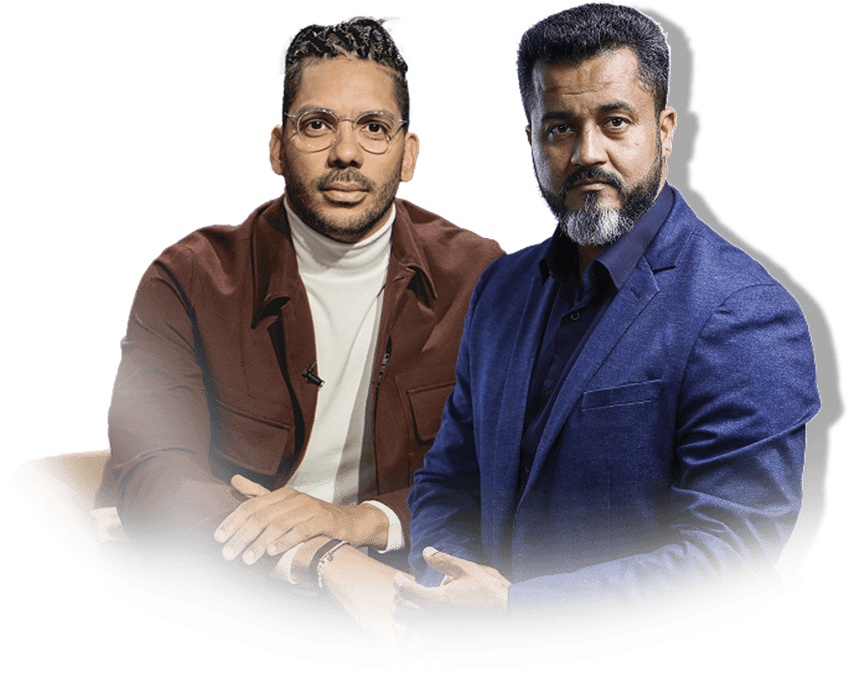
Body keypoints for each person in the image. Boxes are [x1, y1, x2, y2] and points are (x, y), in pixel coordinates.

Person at [395, 3, 820, 634]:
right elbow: (447, 481)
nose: (587, 153)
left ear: (667, 130)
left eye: (615, 122)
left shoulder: (746, 312)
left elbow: (734, 551)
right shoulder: (500, 290)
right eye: (559, 127)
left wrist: (515, 610)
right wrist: (447, 586)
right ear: (532, 138)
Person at [91, 14, 503, 630]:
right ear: (278, 146)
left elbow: (514, 472)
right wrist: (318, 553)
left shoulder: (484, 279)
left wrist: (359, 521)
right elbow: (152, 478)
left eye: (373, 127)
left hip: (405, 583)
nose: (345, 152)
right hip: (222, 594)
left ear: (408, 152)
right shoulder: (188, 277)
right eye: (318, 125)